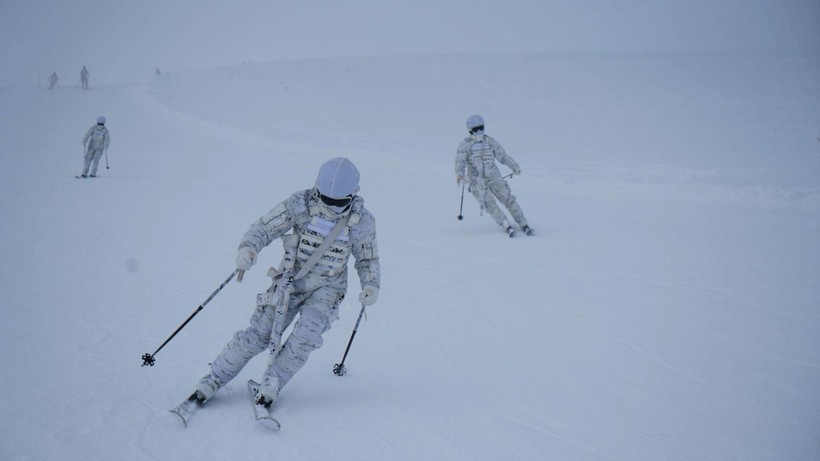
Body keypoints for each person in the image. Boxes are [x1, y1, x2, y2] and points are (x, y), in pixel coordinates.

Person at [186, 157, 381, 411]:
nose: (332, 207)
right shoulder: (301, 204)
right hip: (291, 280)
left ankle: (273, 383)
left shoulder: (361, 221)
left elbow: (367, 257)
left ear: (352, 196)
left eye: (339, 202)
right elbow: (265, 227)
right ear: (317, 190)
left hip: (328, 288)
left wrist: (371, 284)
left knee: (305, 338)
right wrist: (248, 248)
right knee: (259, 335)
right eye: (327, 200)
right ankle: (213, 378)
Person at [454, 115, 533, 237]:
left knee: (508, 198)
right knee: (489, 204)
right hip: (477, 180)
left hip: (494, 177)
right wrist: (460, 175)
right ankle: (505, 223)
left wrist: (514, 166)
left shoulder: (489, 141)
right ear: (470, 130)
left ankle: (523, 222)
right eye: (476, 129)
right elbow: (460, 161)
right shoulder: (465, 145)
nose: (479, 132)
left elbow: (502, 156)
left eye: (481, 128)